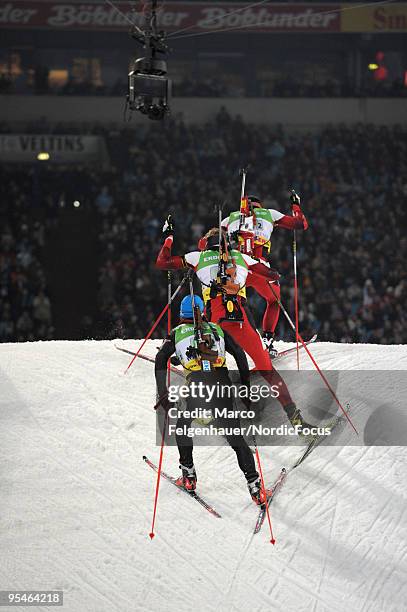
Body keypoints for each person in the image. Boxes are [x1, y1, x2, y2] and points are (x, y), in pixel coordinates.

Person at [155, 221, 312, 433]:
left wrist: (169, 237)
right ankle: (296, 420)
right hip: (239, 317)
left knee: (208, 363)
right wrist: (252, 271)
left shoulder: (197, 257)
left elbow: (162, 262)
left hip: (214, 320)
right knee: (269, 371)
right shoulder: (242, 257)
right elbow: (273, 275)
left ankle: (203, 405)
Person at [155, 294, 269, 505]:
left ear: (182, 315)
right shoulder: (218, 329)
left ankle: (188, 476)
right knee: (236, 438)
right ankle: (255, 488)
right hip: (221, 385)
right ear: (204, 313)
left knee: (183, 426)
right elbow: (240, 355)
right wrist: (245, 387)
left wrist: (162, 392)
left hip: (197, 387)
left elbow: (160, 359)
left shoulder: (176, 333)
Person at [221, 192, 308, 356]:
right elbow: (301, 224)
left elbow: (213, 238)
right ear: (260, 205)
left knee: (226, 303)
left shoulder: (229, 218)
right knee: (274, 301)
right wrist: (295, 205)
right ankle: (267, 341)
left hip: (236, 269)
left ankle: (220, 342)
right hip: (260, 269)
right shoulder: (270, 213)